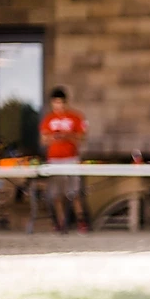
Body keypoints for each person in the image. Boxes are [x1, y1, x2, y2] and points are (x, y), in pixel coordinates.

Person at [39, 86, 89, 234]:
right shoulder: (48, 119)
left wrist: (68, 136)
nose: (58, 106)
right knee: (56, 193)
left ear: (65, 102)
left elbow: (82, 137)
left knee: (74, 192)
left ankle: (81, 221)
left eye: (60, 103)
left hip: (71, 158)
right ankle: (61, 222)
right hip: (54, 159)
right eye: (55, 103)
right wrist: (53, 137)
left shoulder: (76, 117)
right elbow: (43, 140)